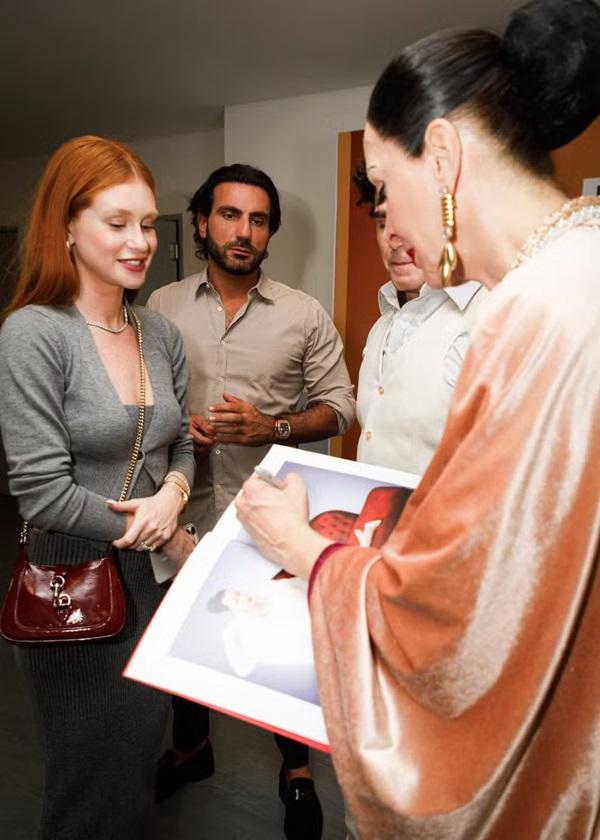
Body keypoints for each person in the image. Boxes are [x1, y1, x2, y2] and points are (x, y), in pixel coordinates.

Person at [235, 0, 600, 837]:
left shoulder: (537, 313)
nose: (386, 221)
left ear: (440, 155)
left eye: (381, 187)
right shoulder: (578, 271)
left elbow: (453, 616)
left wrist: (300, 543)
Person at [146, 163, 355, 839]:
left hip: (271, 514)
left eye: (259, 219)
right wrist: (180, 430)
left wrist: (274, 427)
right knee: (185, 633)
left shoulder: (302, 313)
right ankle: (192, 748)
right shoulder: (161, 308)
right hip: (185, 502)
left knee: (279, 644)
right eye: (230, 215)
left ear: (270, 233)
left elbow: (341, 408)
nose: (244, 231)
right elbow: (148, 404)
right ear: (202, 223)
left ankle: (294, 770)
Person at [0, 135, 196, 839]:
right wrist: (164, 527)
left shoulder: (160, 334)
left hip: (153, 584)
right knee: (86, 781)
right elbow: (42, 493)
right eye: (117, 223)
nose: (141, 241)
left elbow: (178, 444)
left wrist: (173, 493)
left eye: (147, 223)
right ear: (66, 228)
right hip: (72, 589)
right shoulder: (34, 334)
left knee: (135, 765)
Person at [353, 167, 487, 475]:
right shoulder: (383, 326)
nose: (394, 240)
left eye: (411, 220)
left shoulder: (490, 318)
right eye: (383, 222)